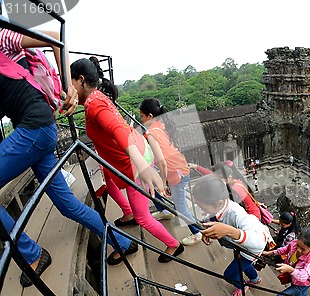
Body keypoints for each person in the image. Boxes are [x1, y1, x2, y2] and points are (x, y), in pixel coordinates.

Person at [0, 26, 138, 286]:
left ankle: (32, 254)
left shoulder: (2, 37)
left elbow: (54, 35)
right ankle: (123, 241)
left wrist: (68, 87)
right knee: (68, 206)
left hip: (33, 130)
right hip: (40, 132)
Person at [70, 58, 182, 264]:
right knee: (107, 177)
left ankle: (174, 244)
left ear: (80, 80)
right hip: (131, 155)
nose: (68, 87)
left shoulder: (96, 105)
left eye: (70, 81)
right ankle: (127, 212)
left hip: (135, 164)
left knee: (143, 218)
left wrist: (141, 165)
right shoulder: (95, 98)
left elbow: (117, 130)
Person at [139, 98, 202, 246]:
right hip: (178, 166)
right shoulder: (161, 124)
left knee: (181, 208)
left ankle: (197, 232)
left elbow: (161, 162)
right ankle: (165, 211)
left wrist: (164, 181)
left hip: (176, 172)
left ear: (149, 116)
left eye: (142, 116)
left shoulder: (151, 133)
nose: (141, 119)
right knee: (152, 184)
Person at [192, 175, 266, 296]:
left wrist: (228, 231)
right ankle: (255, 279)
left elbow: (258, 242)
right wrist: (208, 232)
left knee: (230, 275)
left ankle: (242, 286)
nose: (201, 210)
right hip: (240, 246)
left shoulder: (236, 213)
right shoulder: (220, 207)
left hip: (251, 249)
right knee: (243, 265)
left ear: (219, 203)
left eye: (204, 208)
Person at [262, 228, 310, 296]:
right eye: (298, 246)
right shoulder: (293, 243)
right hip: (294, 278)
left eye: (303, 249)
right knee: (301, 293)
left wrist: (290, 270)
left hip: (303, 282)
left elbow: (304, 276)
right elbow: (284, 250)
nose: (299, 250)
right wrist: (270, 253)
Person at [190, 162, 262, 221]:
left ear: (228, 178)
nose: (215, 181)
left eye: (217, 178)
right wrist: (196, 167)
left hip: (252, 218)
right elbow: (210, 175)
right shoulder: (231, 183)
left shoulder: (235, 189)